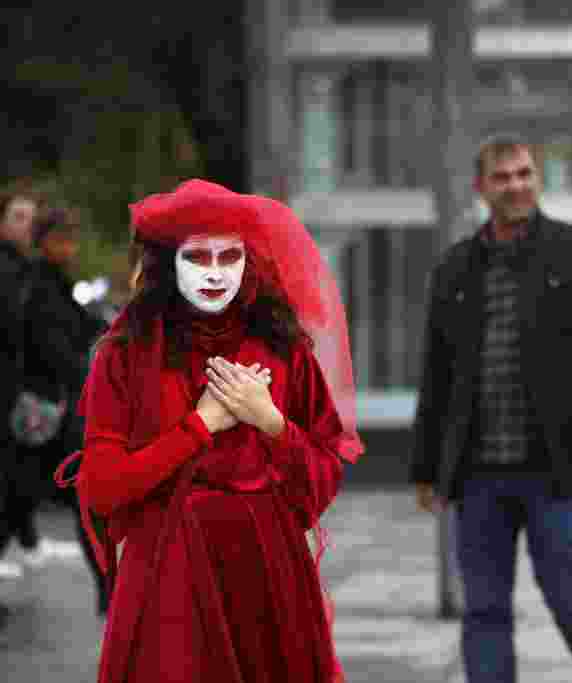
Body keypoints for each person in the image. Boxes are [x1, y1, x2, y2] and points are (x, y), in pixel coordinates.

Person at [64, 179, 362, 682]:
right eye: (199, 257)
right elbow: (103, 487)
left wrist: (270, 422)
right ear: (167, 264)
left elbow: (322, 479)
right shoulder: (125, 353)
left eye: (230, 256)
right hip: (169, 569)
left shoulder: (283, 347)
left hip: (269, 571)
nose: (216, 273)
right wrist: (202, 424)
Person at [410, 134, 572, 683]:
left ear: (538, 180)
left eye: (524, 174)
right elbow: (437, 375)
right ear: (481, 187)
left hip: (555, 465)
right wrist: (426, 468)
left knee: (568, 594)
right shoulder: (454, 271)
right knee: (485, 608)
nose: (515, 185)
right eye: (503, 177)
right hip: (477, 474)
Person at [17, 206, 109, 608]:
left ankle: (110, 590)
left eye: (71, 238)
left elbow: (84, 327)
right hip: (44, 411)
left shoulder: (53, 282)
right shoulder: (39, 285)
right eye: (61, 239)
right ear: (44, 241)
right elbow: (54, 347)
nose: (69, 247)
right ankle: (110, 591)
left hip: (50, 410)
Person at [0, 184, 41, 587]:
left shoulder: (28, 269)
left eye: (31, 217)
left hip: (18, 392)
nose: (27, 225)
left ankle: (23, 532)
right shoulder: (8, 270)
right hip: (7, 392)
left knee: (18, 481)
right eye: (18, 216)